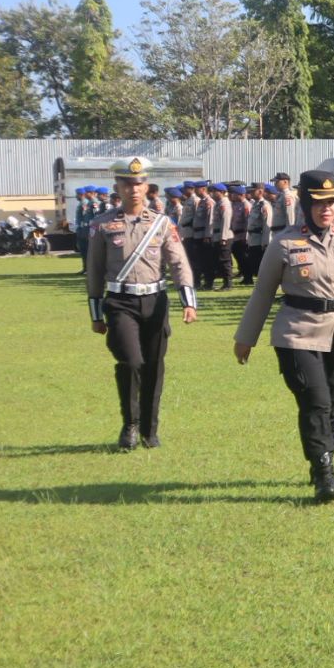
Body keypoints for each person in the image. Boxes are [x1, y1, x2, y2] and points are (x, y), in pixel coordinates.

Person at [234, 170, 334, 503]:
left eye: (333, 203)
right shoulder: (284, 243)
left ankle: (324, 456)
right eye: (320, 203)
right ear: (307, 204)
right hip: (297, 334)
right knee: (316, 401)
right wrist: (246, 337)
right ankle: (324, 470)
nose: (328, 209)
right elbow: (263, 293)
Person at [86, 157, 199, 450]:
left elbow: (178, 263)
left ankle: (150, 429)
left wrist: (189, 301)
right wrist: (96, 315)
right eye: (127, 183)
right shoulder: (102, 225)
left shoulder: (162, 224)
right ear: (117, 187)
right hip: (121, 302)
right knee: (131, 361)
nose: (133, 189)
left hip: (155, 300)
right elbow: (95, 270)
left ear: (146, 187)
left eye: (138, 183)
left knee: (154, 366)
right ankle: (130, 424)